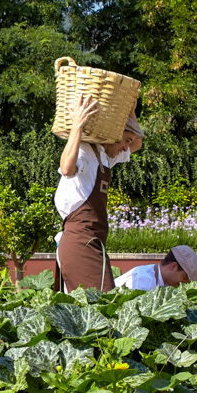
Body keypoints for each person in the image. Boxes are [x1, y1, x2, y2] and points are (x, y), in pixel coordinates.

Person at [54, 93, 144, 291]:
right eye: (125, 140)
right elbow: (67, 169)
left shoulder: (105, 156)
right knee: (100, 305)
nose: (126, 147)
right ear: (113, 134)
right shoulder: (85, 150)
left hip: (95, 242)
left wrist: (130, 111)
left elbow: (138, 143)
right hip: (79, 242)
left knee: (100, 305)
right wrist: (77, 126)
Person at [112, 245, 197, 290]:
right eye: (184, 277)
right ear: (174, 266)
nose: (185, 283)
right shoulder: (142, 280)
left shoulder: (165, 284)